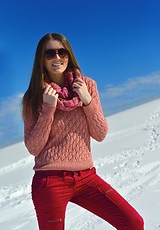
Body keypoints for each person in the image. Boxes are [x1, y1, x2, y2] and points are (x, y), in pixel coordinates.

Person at [22, 32, 144, 230]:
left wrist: (87, 101)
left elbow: (100, 133)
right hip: (50, 182)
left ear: (69, 55)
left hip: (86, 177)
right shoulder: (33, 97)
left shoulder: (88, 86)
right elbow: (34, 148)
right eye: (50, 53)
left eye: (62, 52)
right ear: (41, 59)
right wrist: (48, 109)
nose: (57, 58)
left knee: (133, 222)